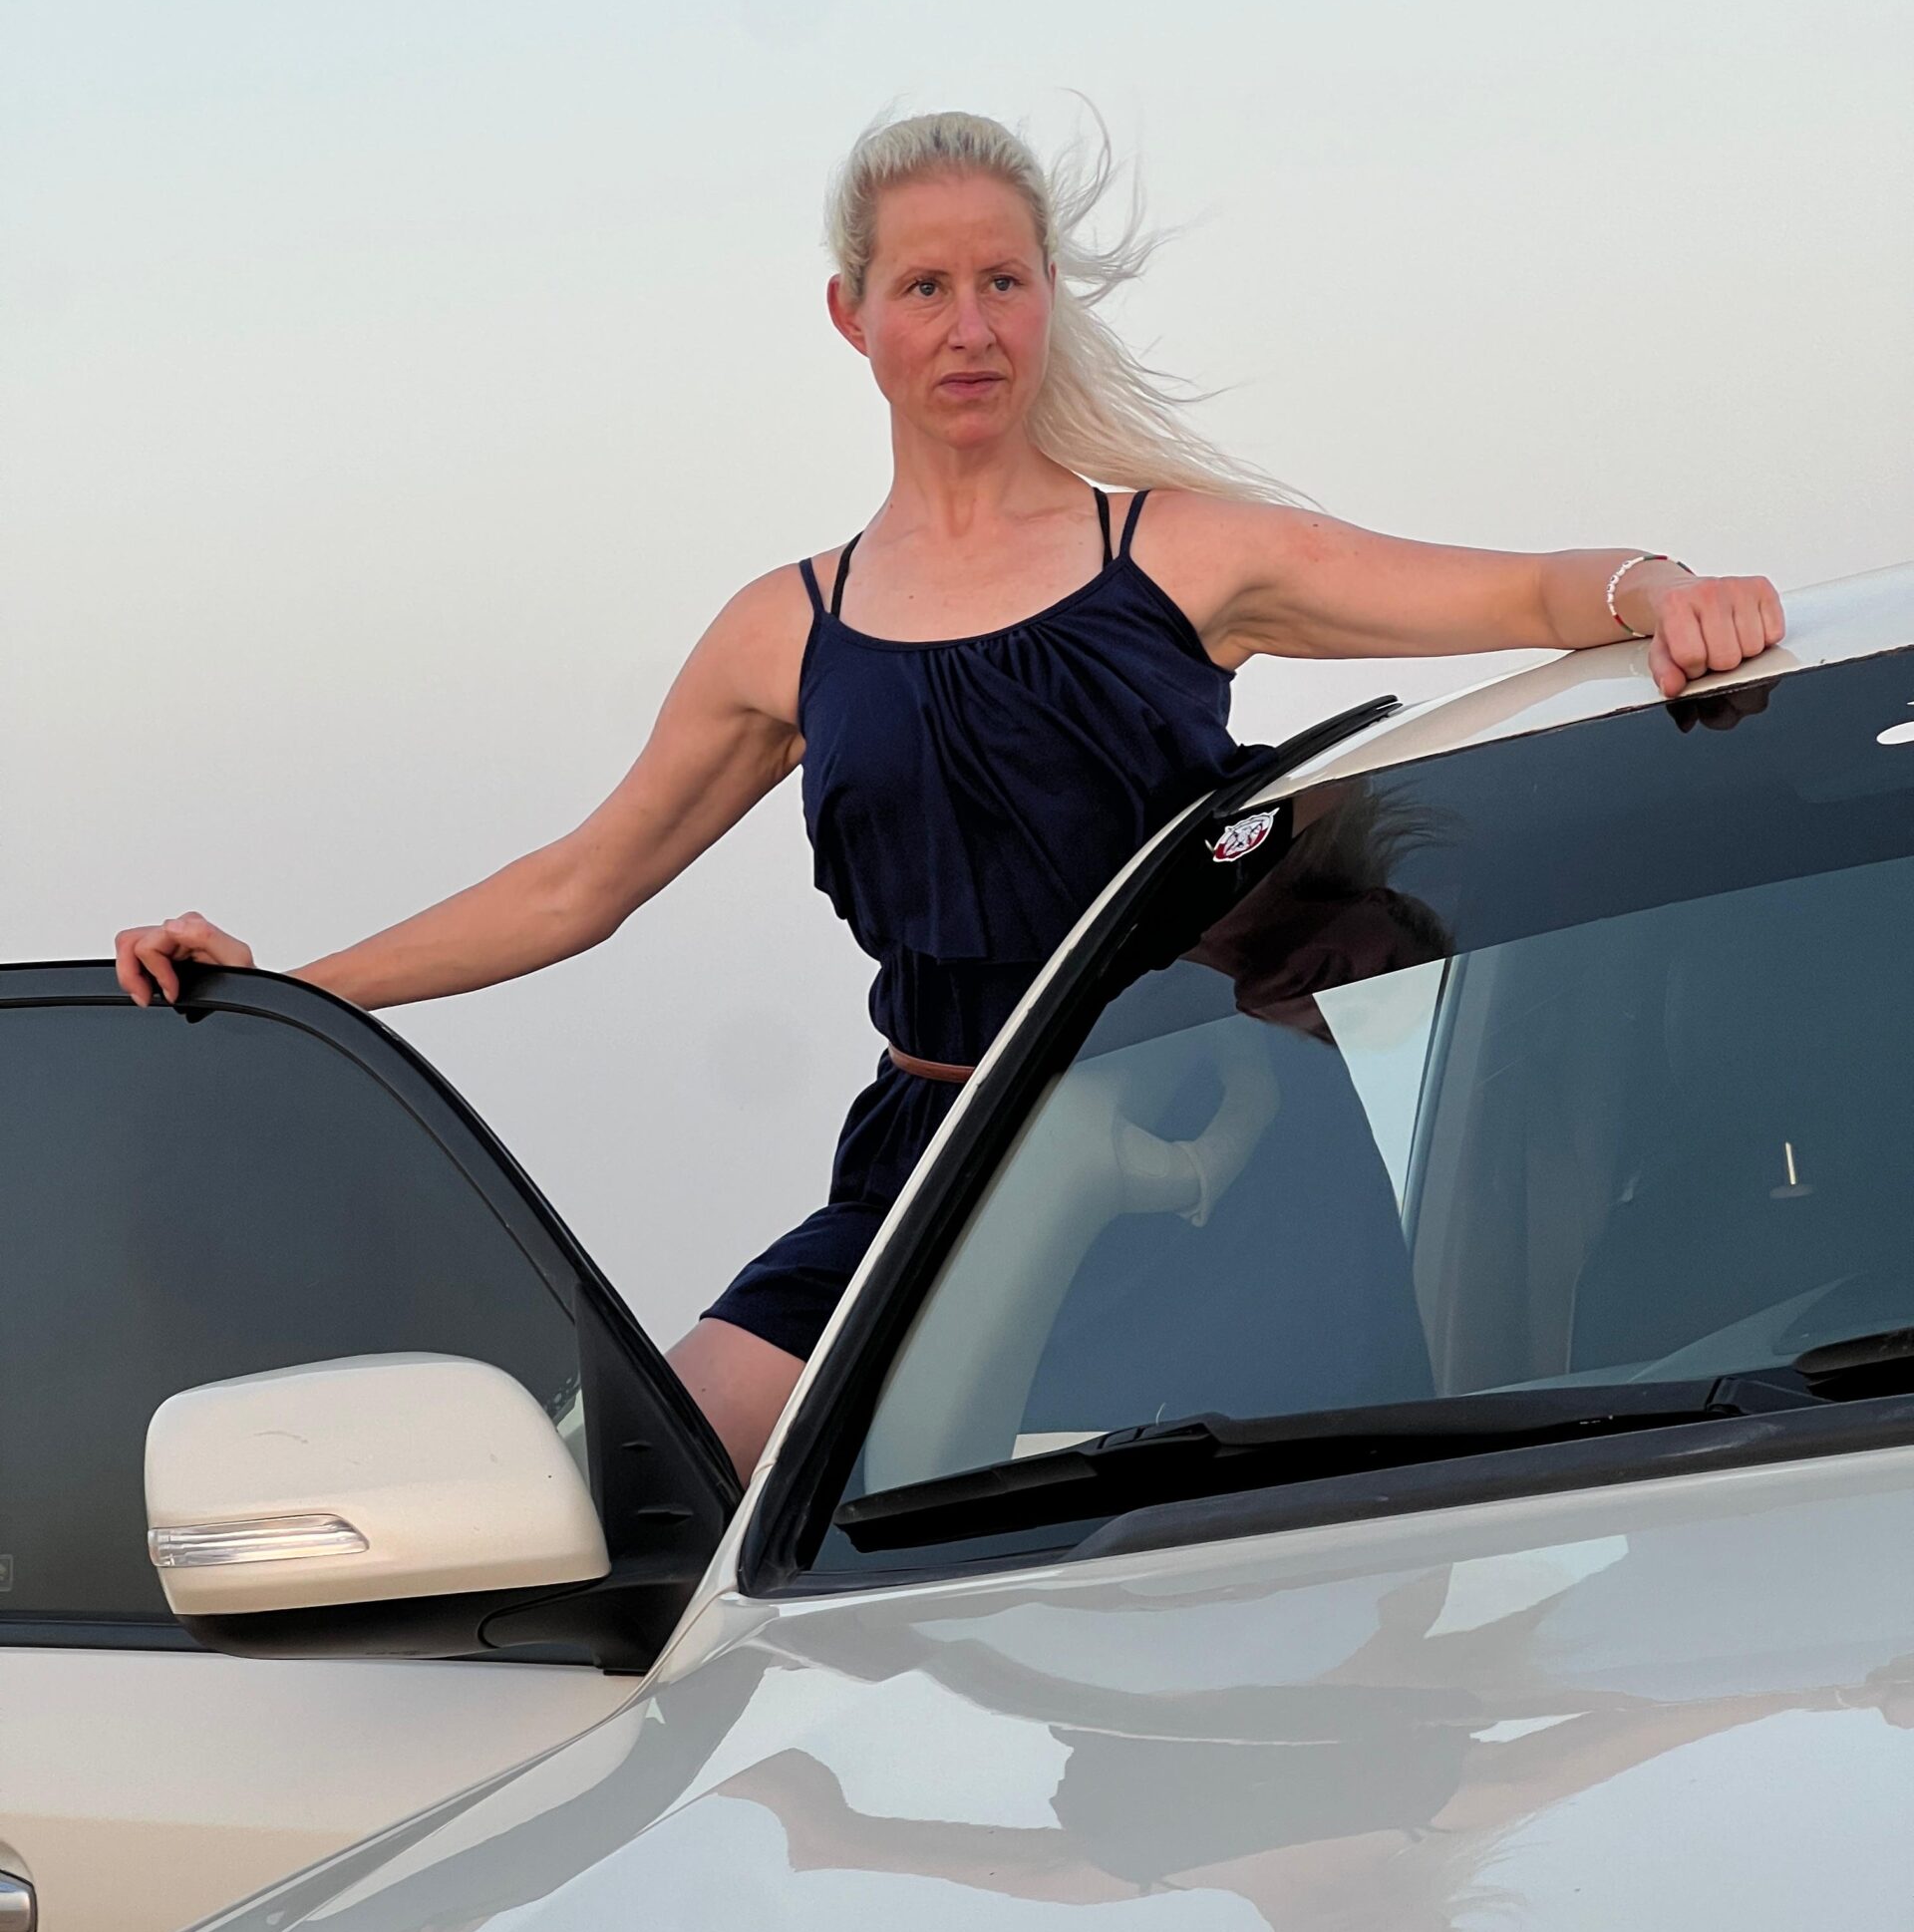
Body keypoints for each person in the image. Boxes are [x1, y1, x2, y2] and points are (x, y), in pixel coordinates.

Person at [114, 110, 1786, 1477]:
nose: (968, 327)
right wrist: (282, 992)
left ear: (1049, 297)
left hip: (1225, 1147)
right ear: (852, 316)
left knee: (1310, 1744)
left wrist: (1657, 589)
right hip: (938, 1157)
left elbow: (1502, 593)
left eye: (1001, 281)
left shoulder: (1178, 555)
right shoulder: (790, 627)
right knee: (655, 1478)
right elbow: (579, 883)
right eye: (924, 287)